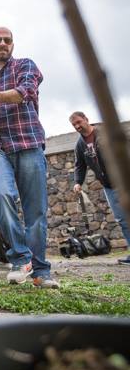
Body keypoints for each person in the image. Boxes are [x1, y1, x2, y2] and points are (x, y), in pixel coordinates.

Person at [0, 26, 59, 288]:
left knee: (35, 212)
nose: (2, 43)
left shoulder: (25, 65)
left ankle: (40, 273)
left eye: (7, 40)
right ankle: (21, 258)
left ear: (12, 44)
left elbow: (25, 92)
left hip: (28, 143)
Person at [69, 111, 130, 264]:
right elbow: (79, 165)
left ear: (86, 119)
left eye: (79, 122)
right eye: (74, 124)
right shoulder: (80, 145)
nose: (77, 126)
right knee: (123, 220)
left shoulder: (104, 133)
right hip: (108, 186)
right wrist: (78, 182)